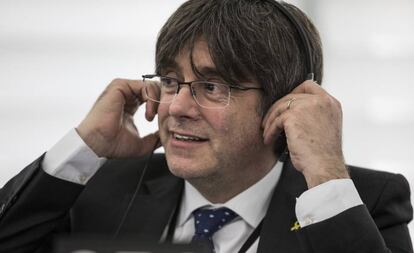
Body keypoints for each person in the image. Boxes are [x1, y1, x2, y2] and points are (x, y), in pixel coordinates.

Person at [0, 0, 412, 252]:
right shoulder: (102, 186)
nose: (176, 106)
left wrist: (324, 175)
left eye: (211, 86)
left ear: (283, 103)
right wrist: (85, 147)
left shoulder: (364, 203)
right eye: (170, 81)